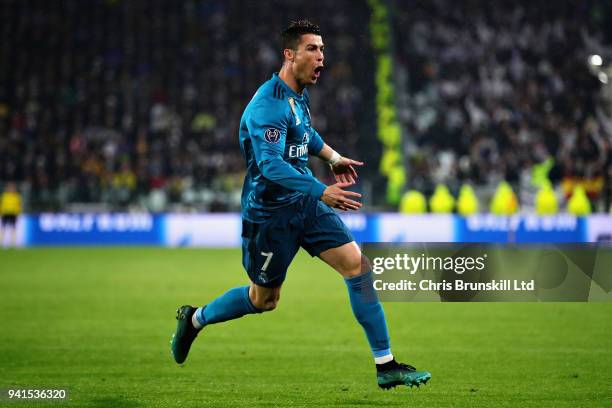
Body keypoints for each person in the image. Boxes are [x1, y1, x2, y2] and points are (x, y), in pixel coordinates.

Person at [171, 20, 431, 389]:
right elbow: (271, 164)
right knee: (265, 300)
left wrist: (332, 156)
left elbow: (305, 134)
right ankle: (194, 319)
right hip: (270, 216)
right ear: (289, 55)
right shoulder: (266, 107)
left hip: (305, 204)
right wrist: (322, 189)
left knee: (357, 266)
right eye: (313, 49)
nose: (321, 56)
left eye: (323, 49)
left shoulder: (298, 96)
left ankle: (385, 365)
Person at [0, 182, 22, 248]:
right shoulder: (4, 196)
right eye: (10, 188)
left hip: (13, 213)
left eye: (12, 188)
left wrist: (18, 212)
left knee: (13, 228)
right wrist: (1, 212)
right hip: (5, 213)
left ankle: (14, 243)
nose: (11, 189)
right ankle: (2, 242)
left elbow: (19, 205)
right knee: (3, 228)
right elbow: (1, 204)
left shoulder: (17, 196)